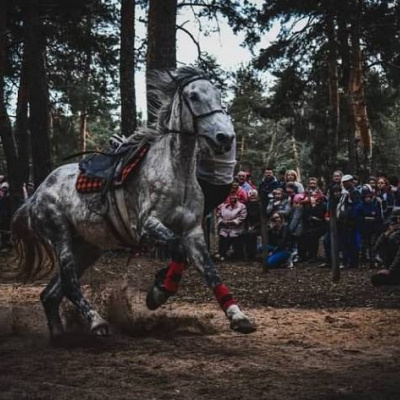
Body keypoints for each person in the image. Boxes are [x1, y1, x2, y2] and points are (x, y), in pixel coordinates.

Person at [337, 174, 361, 269]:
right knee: (346, 242)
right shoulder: (345, 192)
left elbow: (356, 206)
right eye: (343, 182)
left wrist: (352, 218)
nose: (345, 184)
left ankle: (353, 262)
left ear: (351, 182)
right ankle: (347, 261)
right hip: (345, 220)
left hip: (351, 221)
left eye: (347, 182)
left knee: (352, 242)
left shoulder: (354, 192)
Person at [371, 208, 400, 286]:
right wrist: (385, 235)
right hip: (393, 266)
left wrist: (390, 270)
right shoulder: (391, 232)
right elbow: (376, 248)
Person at [355, 184, 382, 267]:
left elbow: (378, 216)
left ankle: (372, 262)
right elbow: (356, 217)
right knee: (363, 246)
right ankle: (362, 262)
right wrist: (364, 219)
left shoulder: (374, 206)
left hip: (372, 229)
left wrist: (374, 220)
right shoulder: (360, 207)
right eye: (366, 197)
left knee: (372, 246)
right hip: (363, 229)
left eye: (369, 197)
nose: (368, 199)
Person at [217, 194, 247, 260]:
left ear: (237, 198)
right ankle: (222, 255)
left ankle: (237, 257)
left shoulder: (242, 206)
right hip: (224, 228)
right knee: (223, 242)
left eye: (234, 197)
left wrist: (233, 222)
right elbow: (218, 215)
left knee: (237, 246)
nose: (232, 199)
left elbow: (242, 217)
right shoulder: (223, 206)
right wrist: (222, 221)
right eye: (231, 198)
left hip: (236, 229)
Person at [244, 189, 261, 260]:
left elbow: (261, 219)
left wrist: (254, 226)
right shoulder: (246, 205)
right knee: (246, 234)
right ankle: (248, 254)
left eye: (254, 196)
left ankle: (254, 254)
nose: (252, 197)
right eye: (251, 195)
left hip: (259, 225)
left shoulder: (260, 205)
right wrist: (249, 226)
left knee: (252, 234)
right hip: (249, 225)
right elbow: (246, 218)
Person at [0, 182, 12, 250]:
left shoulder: (9, 198)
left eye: (5, 188)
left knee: (6, 230)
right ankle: (3, 244)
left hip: (7, 217)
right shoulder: (1, 197)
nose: (3, 190)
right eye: (2, 188)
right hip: (2, 216)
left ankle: (7, 244)